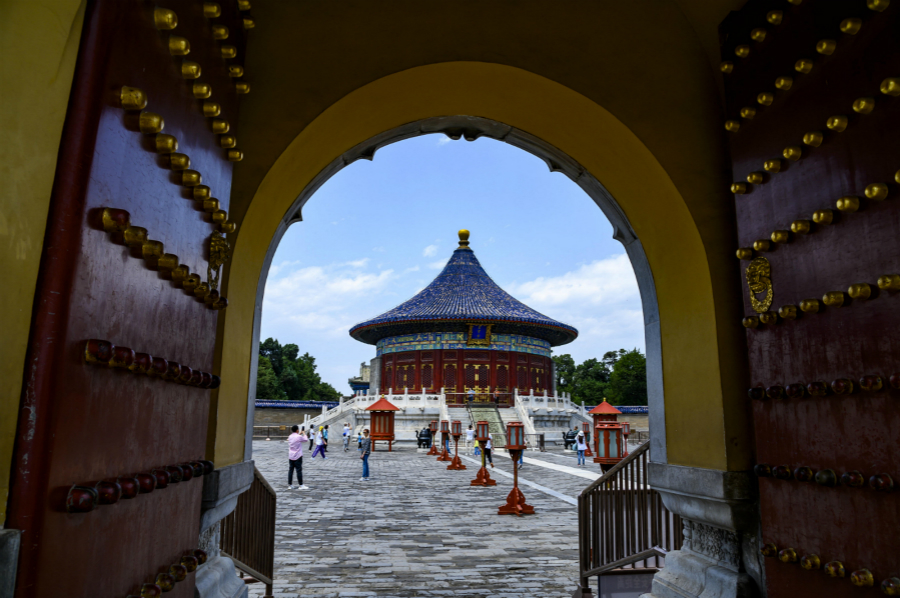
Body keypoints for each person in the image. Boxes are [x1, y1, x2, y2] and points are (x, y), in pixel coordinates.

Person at [287, 425, 309, 490]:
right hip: (298, 455)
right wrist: (304, 433)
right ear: (297, 430)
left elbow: (296, 439)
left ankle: (290, 485)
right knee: (298, 470)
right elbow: (305, 439)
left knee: (291, 471)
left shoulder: (290, 436)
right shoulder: (298, 436)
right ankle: (301, 485)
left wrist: (299, 434)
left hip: (291, 456)